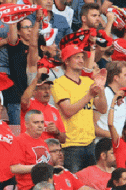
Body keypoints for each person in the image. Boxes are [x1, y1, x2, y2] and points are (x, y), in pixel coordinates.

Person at [52, 40, 107, 172]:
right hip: (70, 145)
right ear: (66, 61)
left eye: (82, 57)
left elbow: (102, 109)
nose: (81, 60)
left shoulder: (88, 82)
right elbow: (68, 111)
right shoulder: (58, 83)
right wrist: (89, 95)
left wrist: (101, 88)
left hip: (90, 143)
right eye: (77, 57)